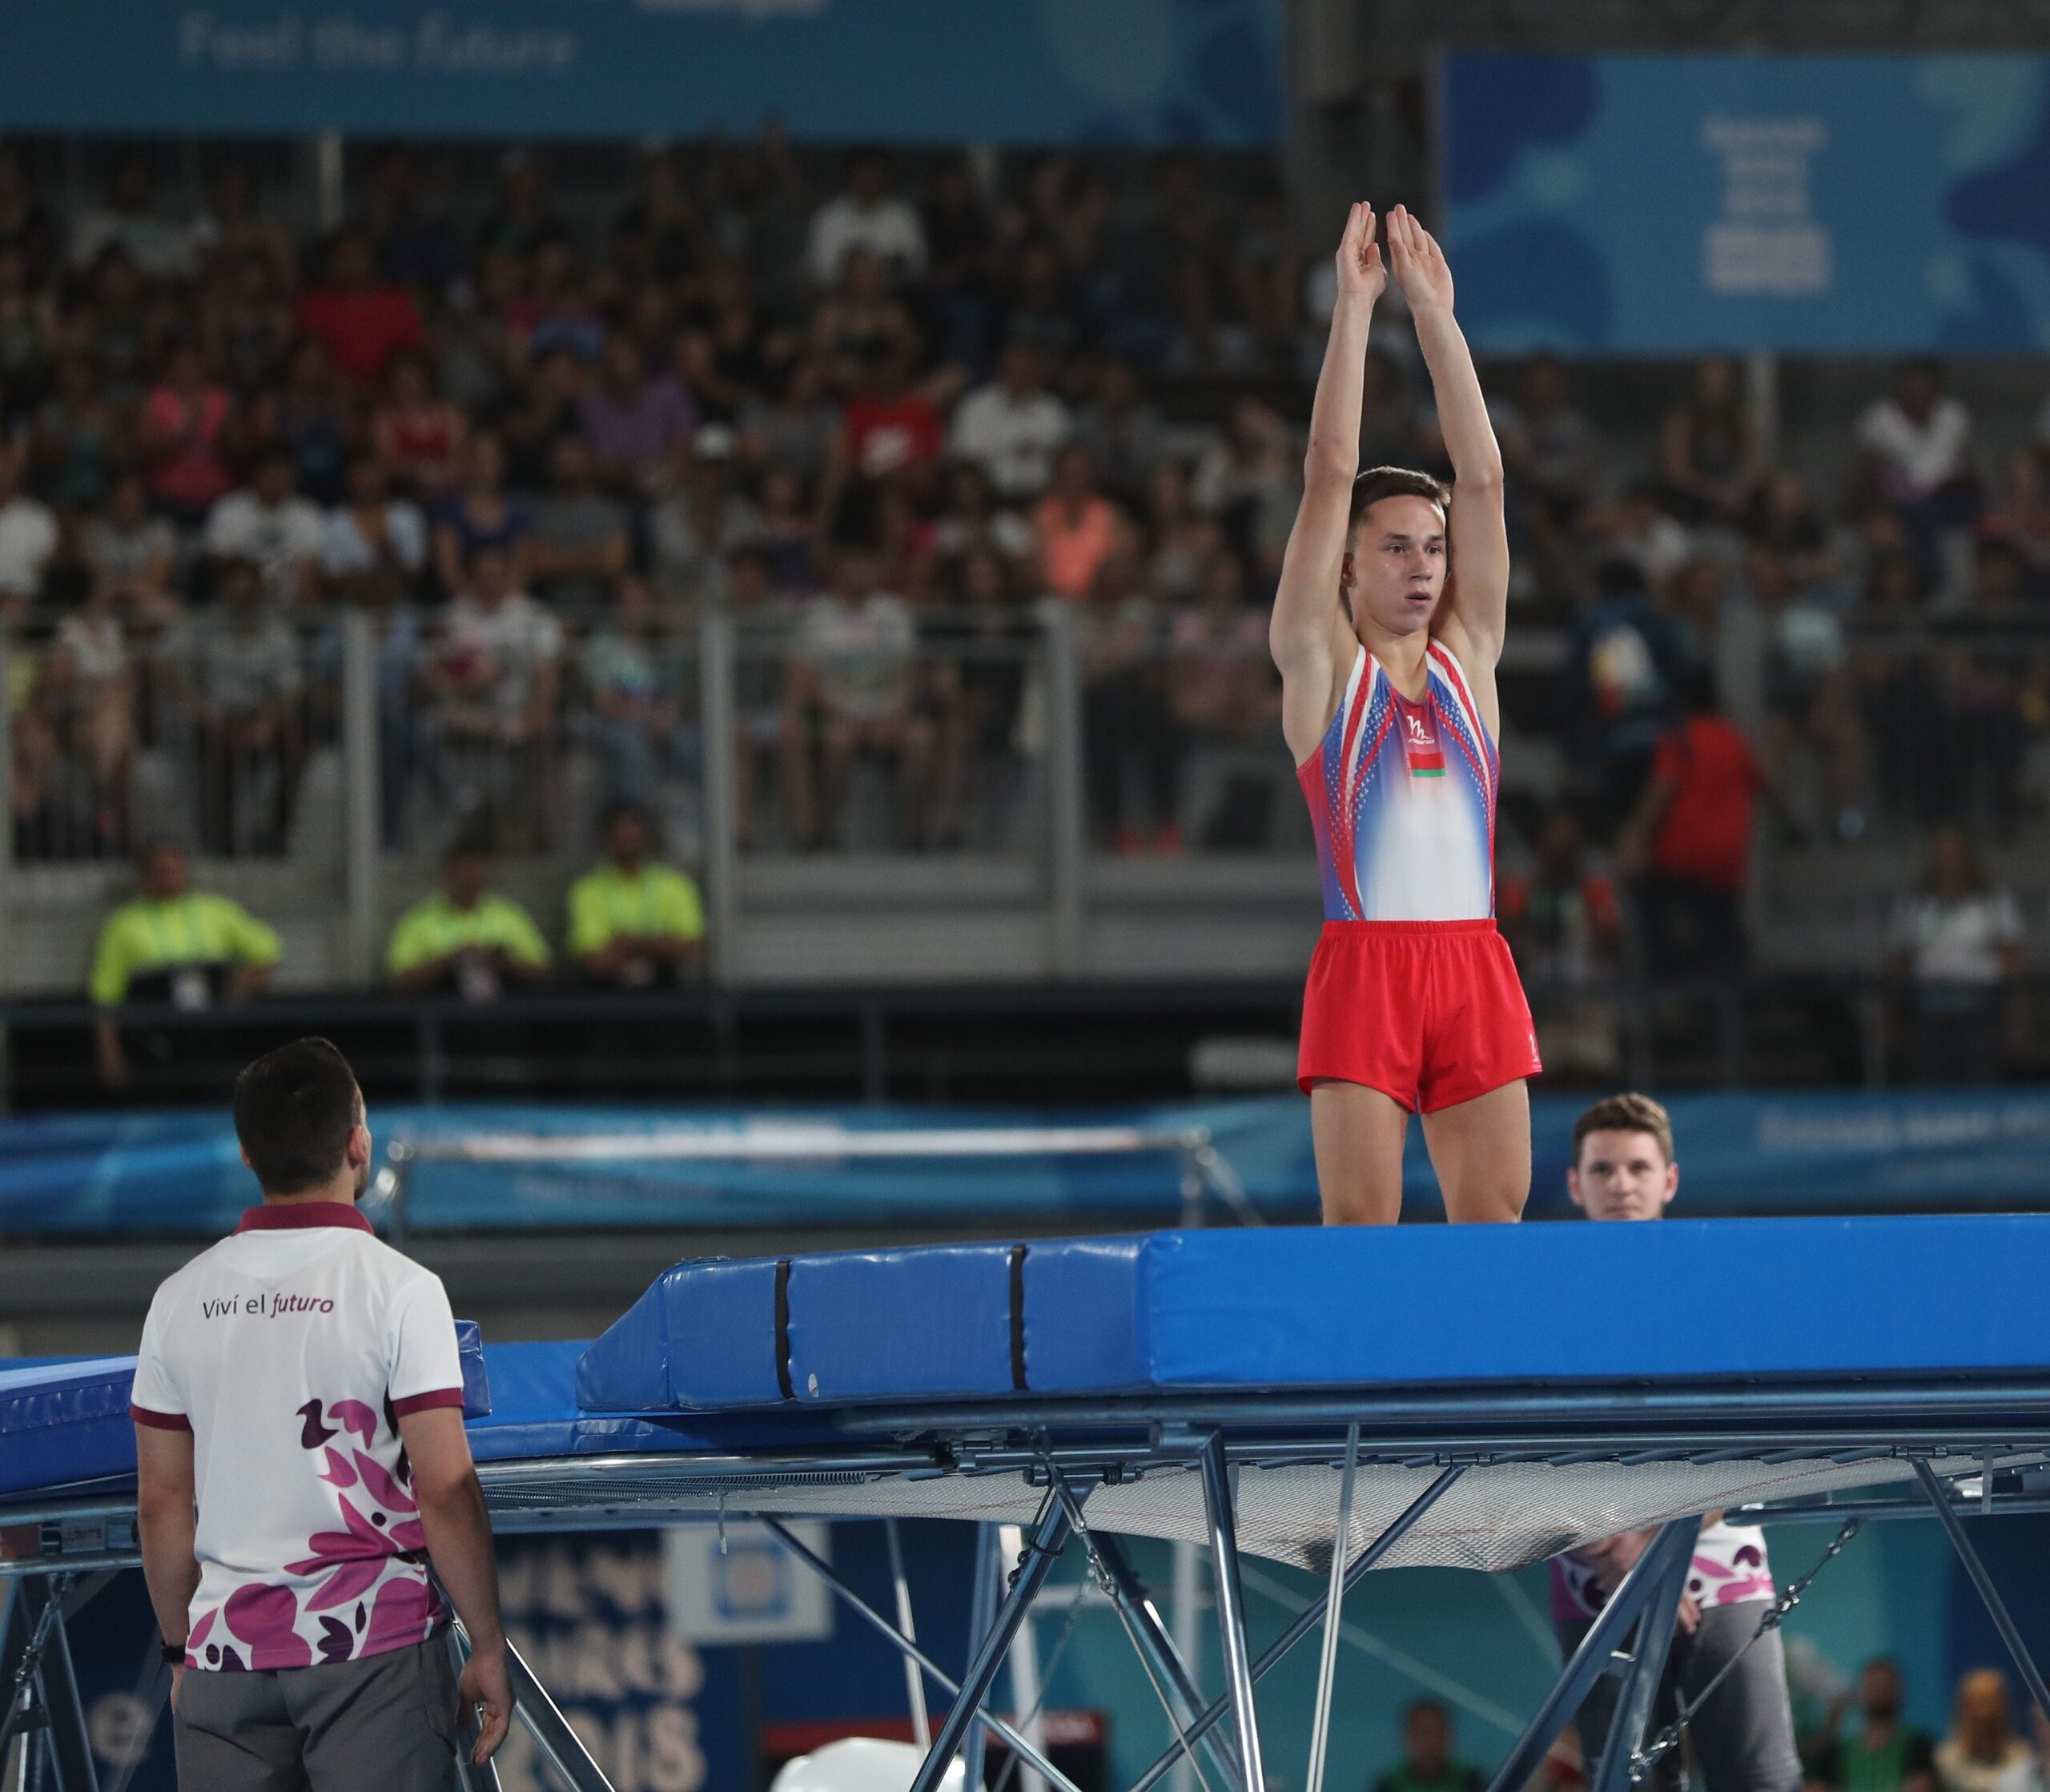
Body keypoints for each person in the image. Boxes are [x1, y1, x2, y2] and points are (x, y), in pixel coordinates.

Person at [131, 1038, 512, 1786]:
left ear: (247, 1155)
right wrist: (489, 1644)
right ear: (358, 1143)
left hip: (225, 1661)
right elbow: (444, 1486)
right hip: (374, 1655)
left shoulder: (177, 1299)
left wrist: (184, 1652)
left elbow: (161, 1501)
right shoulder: (401, 1289)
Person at [1271, 202, 1538, 1226]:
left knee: (1494, 1242)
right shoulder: (1321, 667)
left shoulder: (1471, 658)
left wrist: (1437, 318)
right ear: (1345, 567)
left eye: (1432, 548)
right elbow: (1328, 473)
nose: (1422, 566)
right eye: (1394, 547)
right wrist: (1355, 309)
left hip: (1474, 959)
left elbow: (1484, 478)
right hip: (1366, 968)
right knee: (1363, 1249)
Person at [1555, 1092, 1803, 1792]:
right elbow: (1528, 1452)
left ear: (1669, 1180)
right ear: (1575, 1184)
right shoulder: (1546, 1302)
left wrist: (1653, 1547)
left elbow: (1745, 1441)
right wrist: (1616, 1554)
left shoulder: (1713, 1294)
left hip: (1718, 1558)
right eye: (1602, 1169)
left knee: (1759, 1780)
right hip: (1590, 1575)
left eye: (1637, 1167)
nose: (1621, 1184)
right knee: (1626, 1784)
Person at [89, 839, 281, 1087]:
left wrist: (243, 984)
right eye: (161, 871)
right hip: (155, 1038)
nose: (169, 877)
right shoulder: (123, 923)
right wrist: (109, 1053)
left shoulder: (215, 911)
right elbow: (106, 994)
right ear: (145, 877)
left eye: (175, 870)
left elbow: (268, 949)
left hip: (212, 1033)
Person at [1618, 668, 1769, 980]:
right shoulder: (1734, 740)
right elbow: (1765, 786)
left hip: (1679, 865)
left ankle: (1668, 997)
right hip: (1725, 869)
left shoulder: (1682, 738)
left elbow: (1660, 793)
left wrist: (1633, 837)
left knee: (1661, 939)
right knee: (1721, 957)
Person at [1886, 829, 2025, 1085]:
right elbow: (1899, 961)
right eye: (1942, 855)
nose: (1949, 862)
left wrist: (2015, 1017)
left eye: (1954, 855)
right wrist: (1893, 1015)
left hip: (1980, 1011)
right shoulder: (1913, 904)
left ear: (1968, 858)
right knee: (1930, 1087)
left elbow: (2012, 962)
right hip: (1929, 1012)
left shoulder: (1993, 903)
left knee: (1981, 1084)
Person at [568, 802, 706, 987]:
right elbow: (595, 961)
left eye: (633, 835)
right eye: (621, 836)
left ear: (646, 836)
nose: (627, 842)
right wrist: (660, 944)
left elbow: (691, 948)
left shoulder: (675, 885)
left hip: (668, 998)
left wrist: (626, 944)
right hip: (606, 999)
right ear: (607, 839)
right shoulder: (587, 891)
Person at [1812, 1661, 1937, 1792]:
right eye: (1872, 1685)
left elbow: (1922, 1787)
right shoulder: (1838, 1752)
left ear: (1899, 1691)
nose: (1879, 1691)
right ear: (1860, 1691)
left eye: (1885, 1686)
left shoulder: (1918, 1745)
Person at [1935, 1672, 2040, 1792]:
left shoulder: (2025, 1758)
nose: (1985, 1714)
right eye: (1978, 1704)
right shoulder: (1944, 1762)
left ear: (2005, 1710)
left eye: (1992, 1703)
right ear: (1962, 1712)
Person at [1373, 1701, 1484, 1792]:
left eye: (1436, 1732)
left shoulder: (1470, 1779)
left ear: (1449, 1736)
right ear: (1407, 1737)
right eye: (1423, 1732)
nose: (1430, 1741)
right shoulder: (1389, 1783)